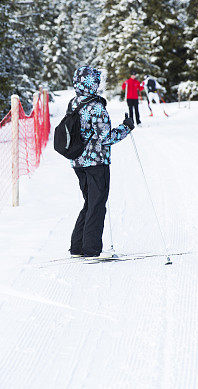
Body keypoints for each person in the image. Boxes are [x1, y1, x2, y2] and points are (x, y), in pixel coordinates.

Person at [68, 66, 134, 257]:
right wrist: (126, 128)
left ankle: (78, 246)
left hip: (78, 161)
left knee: (89, 202)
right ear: (91, 82)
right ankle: (91, 249)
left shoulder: (74, 102)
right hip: (96, 162)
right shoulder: (96, 107)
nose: (99, 83)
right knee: (97, 204)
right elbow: (105, 137)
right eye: (97, 79)